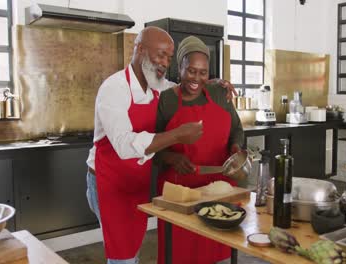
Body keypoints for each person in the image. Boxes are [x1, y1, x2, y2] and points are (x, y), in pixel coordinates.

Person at [85, 27, 236, 264]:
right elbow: (125, 146)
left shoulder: (160, 86)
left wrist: (214, 84)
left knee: (133, 247)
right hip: (109, 183)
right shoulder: (114, 89)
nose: (165, 62)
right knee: (122, 256)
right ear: (140, 50)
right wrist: (177, 135)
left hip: (138, 182)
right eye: (160, 55)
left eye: (169, 56)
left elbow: (186, 86)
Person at [155, 36, 244, 264]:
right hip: (180, 195)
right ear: (180, 68)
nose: (196, 78)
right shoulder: (166, 101)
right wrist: (171, 157)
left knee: (217, 253)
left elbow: (236, 130)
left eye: (203, 72)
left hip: (220, 191)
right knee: (180, 254)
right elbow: (151, 147)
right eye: (191, 71)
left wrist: (236, 150)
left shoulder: (218, 93)